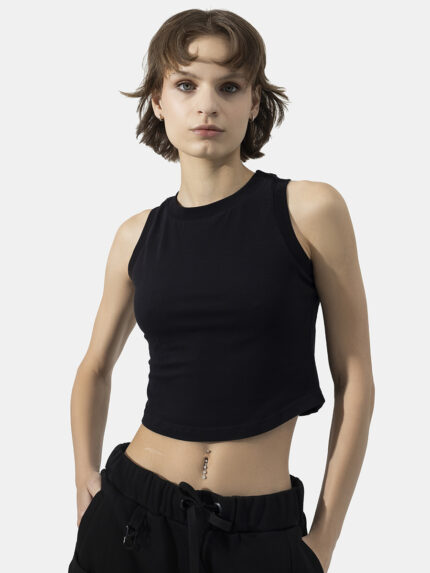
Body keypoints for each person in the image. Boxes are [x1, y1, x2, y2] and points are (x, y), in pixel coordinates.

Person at [68, 8, 375, 573]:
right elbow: (95, 366)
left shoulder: (309, 210)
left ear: (254, 101)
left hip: (260, 532)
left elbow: (354, 376)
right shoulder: (136, 235)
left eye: (229, 86)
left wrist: (325, 539)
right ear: (158, 101)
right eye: (186, 85)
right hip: (132, 519)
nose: (207, 105)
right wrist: (84, 479)